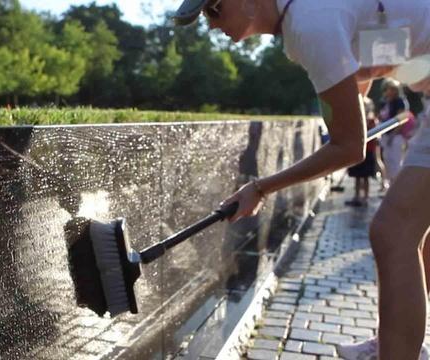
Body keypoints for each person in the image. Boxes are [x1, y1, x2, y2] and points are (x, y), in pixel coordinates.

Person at [172, 0, 430, 359]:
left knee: (394, 233)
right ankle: (398, 341)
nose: (212, 26)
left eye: (214, 10)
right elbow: (371, 55)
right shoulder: (308, 14)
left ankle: (398, 349)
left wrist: (260, 187)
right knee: (414, 231)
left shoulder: (307, 23)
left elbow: (349, 148)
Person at [346, 96, 379, 207]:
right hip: (356, 150)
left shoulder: (371, 121)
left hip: (368, 151)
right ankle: (356, 196)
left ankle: (365, 197)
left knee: (365, 176)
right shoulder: (354, 119)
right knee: (357, 176)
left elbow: (373, 136)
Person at [378, 78, 409, 189]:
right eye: (387, 89)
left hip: (396, 136)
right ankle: (390, 186)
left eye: (392, 89)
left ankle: (397, 187)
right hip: (385, 136)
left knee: (395, 162)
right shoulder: (385, 102)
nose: (389, 91)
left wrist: (392, 135)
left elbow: (400, 120)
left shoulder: (400, 102)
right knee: (387, 161)